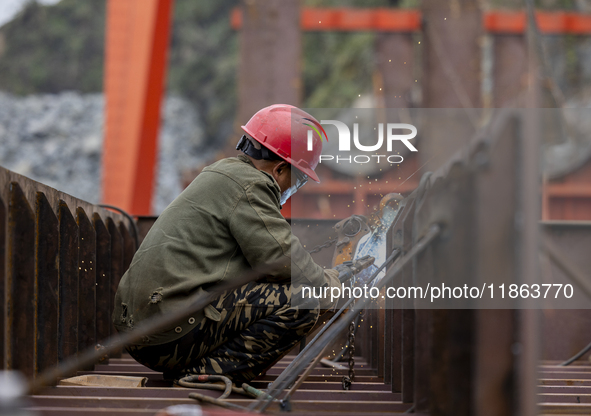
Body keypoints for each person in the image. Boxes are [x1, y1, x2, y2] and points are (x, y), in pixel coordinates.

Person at [113, 104, 340, 384]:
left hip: (143, 329)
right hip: (168, 336)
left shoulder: (223, 173)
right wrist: (331, 284)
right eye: (299, 179)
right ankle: (202, 376)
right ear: (281, 169)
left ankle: (199, 366)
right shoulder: (250, 185)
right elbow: (282, 259)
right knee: (304, 300)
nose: (293, 188)